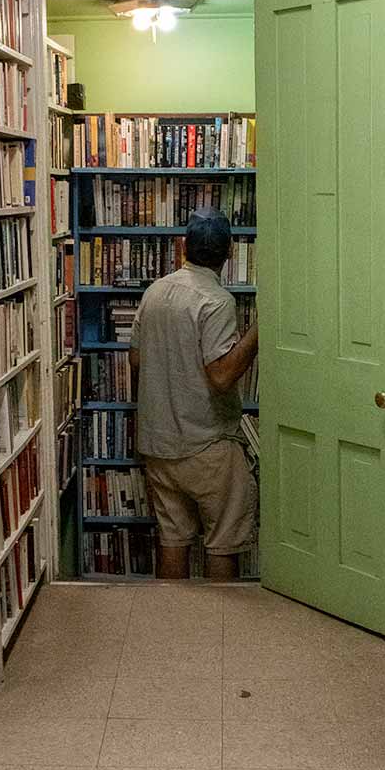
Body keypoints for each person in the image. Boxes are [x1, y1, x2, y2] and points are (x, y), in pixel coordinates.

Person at [130, 211, 260, 581]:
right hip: (206, 444)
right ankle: (219, 626)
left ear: (183, 246)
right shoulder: (216, 300)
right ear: (229, 252)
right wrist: (259, 330)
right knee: (222, 541)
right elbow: (221, 377)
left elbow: (136, 361)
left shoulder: (154, 291)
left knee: (172, 538)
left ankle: (171, 624)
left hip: (158, 442)